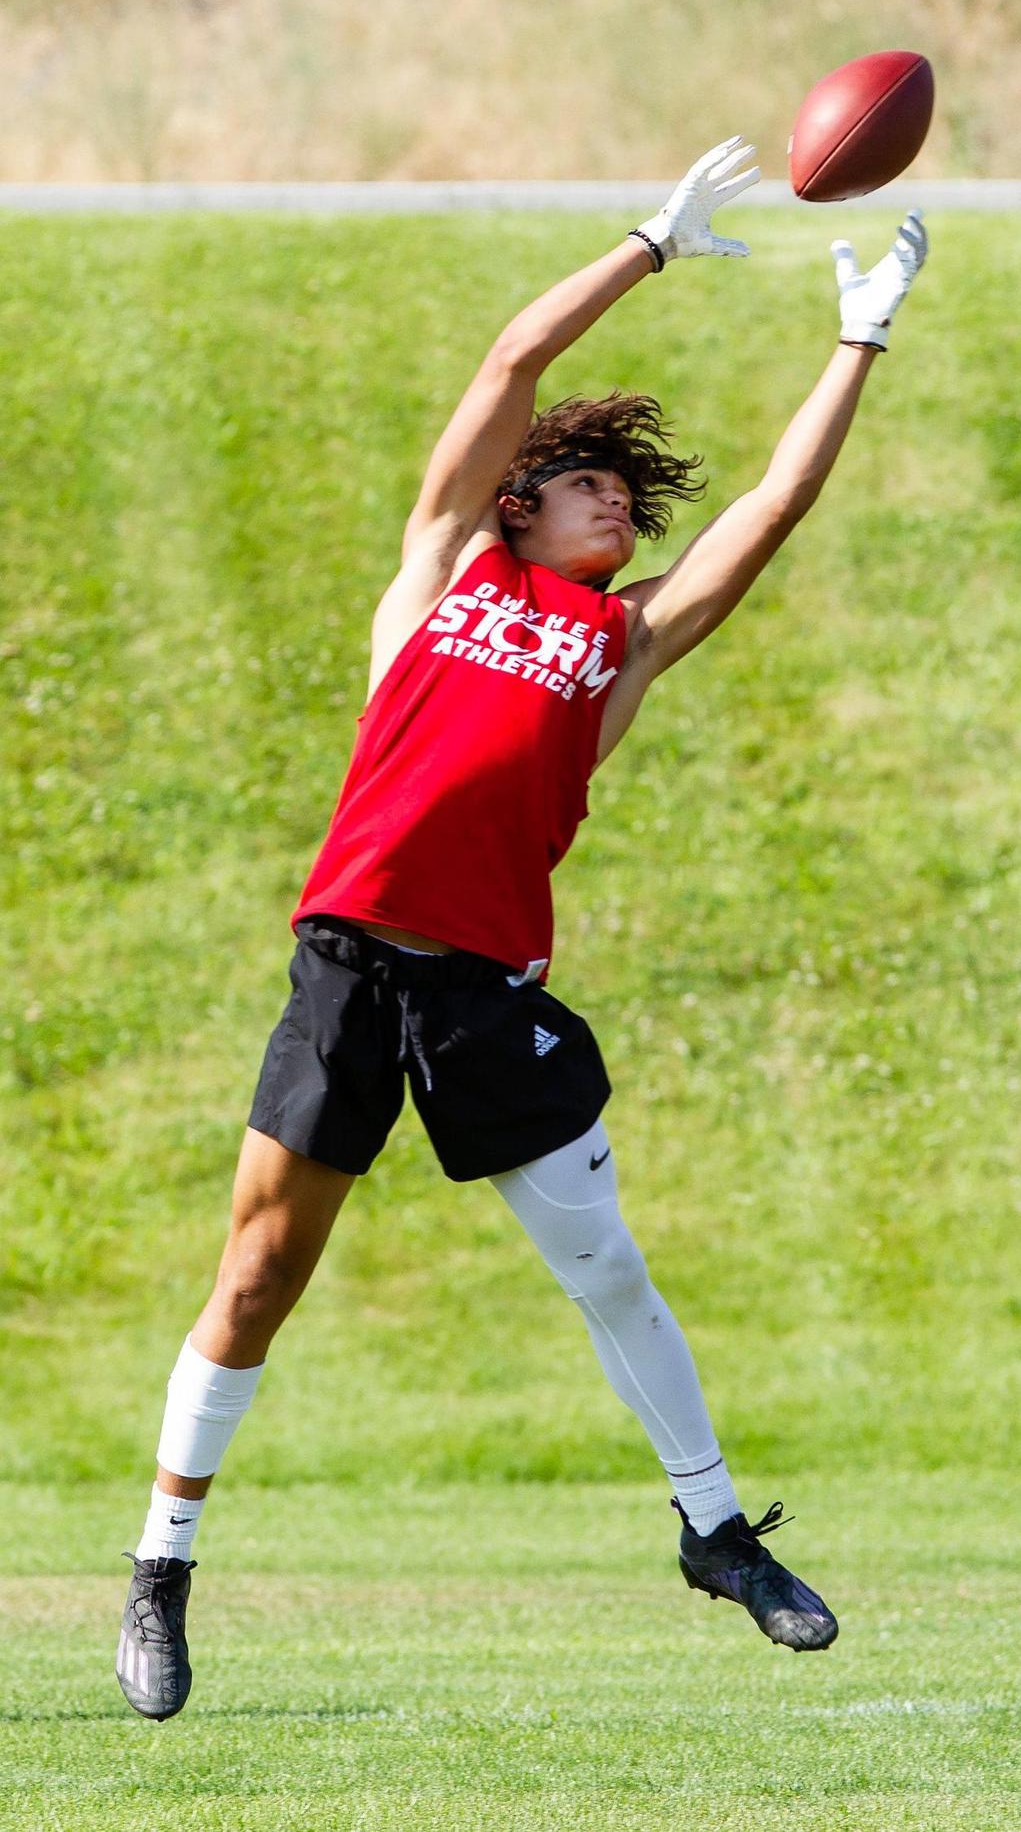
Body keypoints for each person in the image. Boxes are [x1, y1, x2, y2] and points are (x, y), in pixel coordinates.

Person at [115, 138, 928, 1720]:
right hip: (351, 967)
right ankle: (160, 1570)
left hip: (487, 996)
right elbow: (513, 358)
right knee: (261, 1273)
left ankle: (715, 1534)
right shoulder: (437, 580)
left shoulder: (618, 647)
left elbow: (767, 511)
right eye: (583, 479)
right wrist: (649, 247)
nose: (612, 493)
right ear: (515, 504)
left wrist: (860, 335)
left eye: (625, 487)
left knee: (608, 1273)